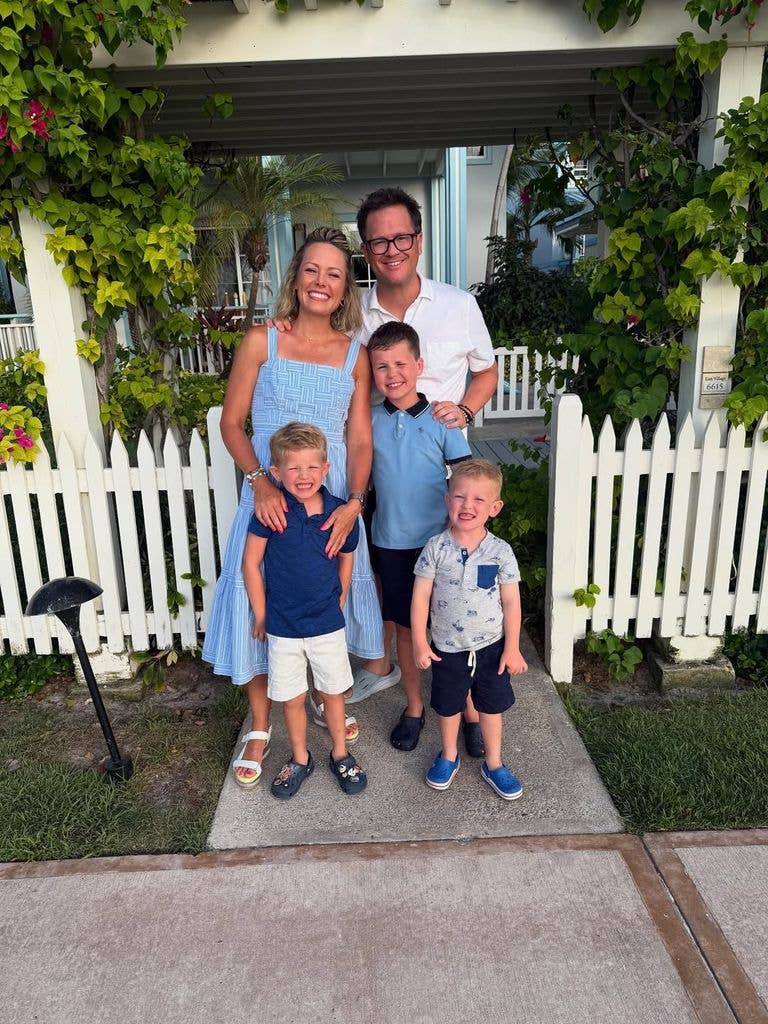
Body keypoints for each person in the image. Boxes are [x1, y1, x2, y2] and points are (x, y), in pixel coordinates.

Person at [202, 227, 390, 789]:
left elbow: (358, 440)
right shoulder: (264, 341)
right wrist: (260, 480)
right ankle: (260, 726)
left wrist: (355, 502)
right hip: (270, 501)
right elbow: (231, 423)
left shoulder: (356, 355)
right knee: (258, 605)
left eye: (334, 273)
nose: (321, 282)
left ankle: (325, 700)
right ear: (296, 276)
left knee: (322, 598)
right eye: (312, 269)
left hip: (329, 506)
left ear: (345, 288)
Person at [349, 186, 500, 714]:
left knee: (456, 604)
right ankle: (402, 686)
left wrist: (462, 409)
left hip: (448, 485)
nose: (391, 249)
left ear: (419, 238)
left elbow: (487, 370)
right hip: (386, 474)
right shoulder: (355, 316)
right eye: (378, 242)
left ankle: (465, 706)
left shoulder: (459, 305)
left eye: (401, 237)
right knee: (400, 603)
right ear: (365, 250)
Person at [243, 423, 367, 799]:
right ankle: (299, 757)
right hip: (282, 627)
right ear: (276, 473)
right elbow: (251, 564)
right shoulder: (271, 511)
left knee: (332, 692)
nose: (304, 476)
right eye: (294, 469)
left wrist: (341, 594)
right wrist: (262, 615)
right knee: (293, 697)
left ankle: (341, 753)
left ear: (326, 469)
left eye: (312, 467)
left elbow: (348, 556)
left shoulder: (340, 513)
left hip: (327, 624)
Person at [367, 320, 472, 753]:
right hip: (390, 543)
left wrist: (468, 535)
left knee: (451, 629)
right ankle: (414, 706)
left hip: (438, 547)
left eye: (400, 364)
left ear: (419, 365)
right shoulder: (368, 421)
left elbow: (465, 479)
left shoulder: (443, 418)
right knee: (408, 632)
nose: (392, 374)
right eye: (381, 367)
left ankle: (467, 708)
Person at [411, 459, 528, 800]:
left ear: (495, 508)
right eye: (460, 497)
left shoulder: (500, 552)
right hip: (447, 648)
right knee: (448, 707)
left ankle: (494, 764)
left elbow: (511, 603)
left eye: (479, 500)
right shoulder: (436, 548)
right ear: (448, 501)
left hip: (491, 647)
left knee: (490, 708)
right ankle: (449, 755)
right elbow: (420, 598)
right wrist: (420, 641)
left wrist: (513, 647)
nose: (468, 506)